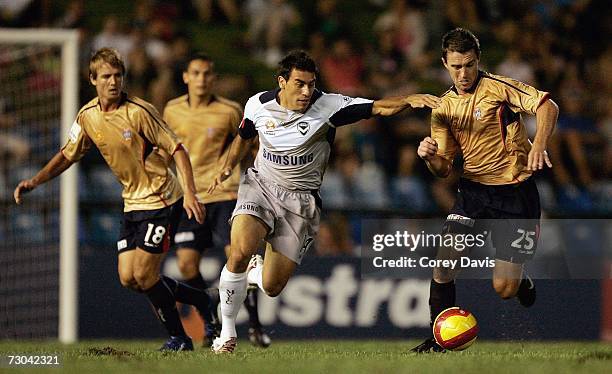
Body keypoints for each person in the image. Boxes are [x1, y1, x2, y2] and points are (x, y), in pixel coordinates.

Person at [207, 50, 441, 353]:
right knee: (238, 250)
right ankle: (226, 334)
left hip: (301, 202)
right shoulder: (258, 104)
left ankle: (254, 273)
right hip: (261, 186)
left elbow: (377, 107)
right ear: (282, 82)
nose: (307, 91)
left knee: (273, 286)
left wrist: (409, 99)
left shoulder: (328, 106)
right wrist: (228, 165)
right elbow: (244, 136)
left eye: (311, 84)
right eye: (299, 84)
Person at [13, 48, 216, 352]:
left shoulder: (138, 111)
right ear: (92, 79)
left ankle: (180, 338)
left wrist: (189, 192)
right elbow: (68, 154)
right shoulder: (87, 116)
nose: (113, 82)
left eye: (118, 75)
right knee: (128, 278)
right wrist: (35, 180)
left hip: (161, 200)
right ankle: (200, 297)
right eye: (106, 76)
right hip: (131, 203)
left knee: (145, 275)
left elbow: (177, 149)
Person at [411, 28, 559, 353]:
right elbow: (443, 170)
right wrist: (430, 157)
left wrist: (539, 146)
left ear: (478, 61)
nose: (463, 74)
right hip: (473, 194)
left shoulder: (498, 88)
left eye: (469, 65)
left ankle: (520, 281)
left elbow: (548, 106)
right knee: (443, 264)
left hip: (516, 195)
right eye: (456, 67)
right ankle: (438, 341)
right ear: (444, 64)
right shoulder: (443, 107)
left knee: (503, 288)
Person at [163, 53, 270, 348]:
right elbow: (164, 149)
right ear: (185, 77)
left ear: (214, 78)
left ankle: (255, 326)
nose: (202, 79)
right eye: (196, 73)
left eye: (207, 73)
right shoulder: (171, 111)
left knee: (239, 257)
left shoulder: (229, 110)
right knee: (186, 265)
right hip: (189, 196)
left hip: (225, 194)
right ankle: (209, 320)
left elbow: (248, 141)